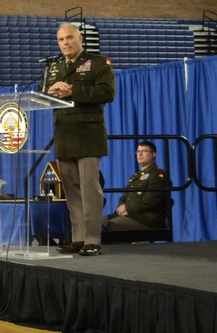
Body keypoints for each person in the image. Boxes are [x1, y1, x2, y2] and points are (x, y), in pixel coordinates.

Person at [46, 22, 116, 257]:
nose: (65, 43)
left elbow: (107, 92)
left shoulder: (98, 63)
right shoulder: (53, 67)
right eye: (60, 40)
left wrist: (73, 91)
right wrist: (49, 90)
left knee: (89, 189)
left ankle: (93, 239)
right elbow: (41, 93)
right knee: (72, 190)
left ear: (80, 38)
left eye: (69, 38)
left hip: (87, 135)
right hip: (64, 134)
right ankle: (78, 238)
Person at [103, 141, 172, 231]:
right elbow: (125, 197)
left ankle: (127, 244)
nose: (140, 154)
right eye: (138, 151)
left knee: (114, 223)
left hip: (148, 217)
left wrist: (127, 208)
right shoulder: (135, 176)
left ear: (154, 154)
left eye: (144, 151)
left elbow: (149, 201)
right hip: (133, 214)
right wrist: (120, 208)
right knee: (101, 221)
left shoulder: (157, 175)